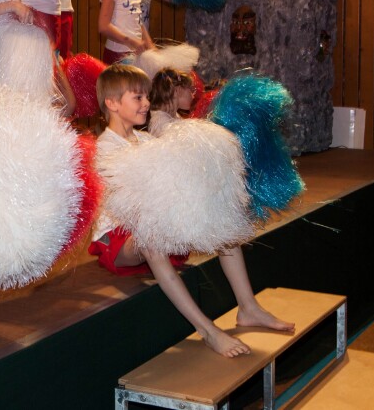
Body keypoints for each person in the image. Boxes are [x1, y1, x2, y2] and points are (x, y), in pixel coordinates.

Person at [89, 65, 294, 357]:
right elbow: (133, 210)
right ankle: (207, 330)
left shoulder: (146, 140)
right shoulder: (105, 149)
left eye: (147, 97)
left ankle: (248, 307)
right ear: (112, 103)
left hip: (153, 222)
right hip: (119, 240)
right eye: (138, 98)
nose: (147, 103)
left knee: (223, 226)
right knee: (153, 239)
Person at [147, 67, 195, 137]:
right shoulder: (160, 122)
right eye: (191, 90)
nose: (193, 95)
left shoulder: (174, 114)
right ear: (178, 90)